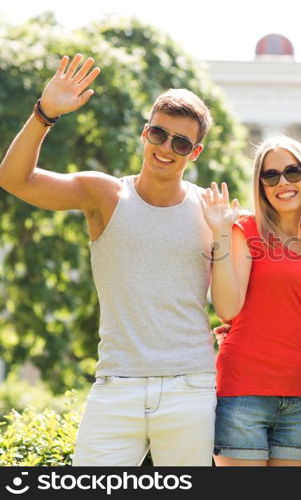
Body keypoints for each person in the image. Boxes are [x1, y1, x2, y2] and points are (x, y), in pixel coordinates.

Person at [0, 55, 217, 466]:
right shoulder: (105, 195)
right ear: (144, 134)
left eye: (181, 143)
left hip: (191, 386)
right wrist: (45, 114)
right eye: (159, 133)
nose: (166, 148)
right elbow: (13, 179)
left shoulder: (211, 208)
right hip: (117, 385)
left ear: (195, 152)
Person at [201, 136, 301, 466]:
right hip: (244, 393)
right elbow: (228, 309)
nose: (282, 182)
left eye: (292, 172)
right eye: (270, 176)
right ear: (260, 185)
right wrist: (220, 233)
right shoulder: (245, 229)